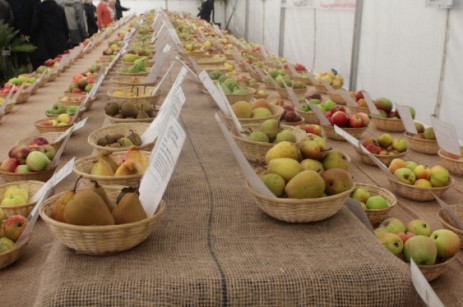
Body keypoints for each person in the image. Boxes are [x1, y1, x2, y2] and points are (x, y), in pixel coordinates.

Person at [30, 0, 69, 69]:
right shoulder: (59, 9)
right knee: (62, 68)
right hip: (59, 42)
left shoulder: (38, 10)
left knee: (46, 70)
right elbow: (65, 27)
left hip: (44, 45)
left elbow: (34, 29)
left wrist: (33, 42)